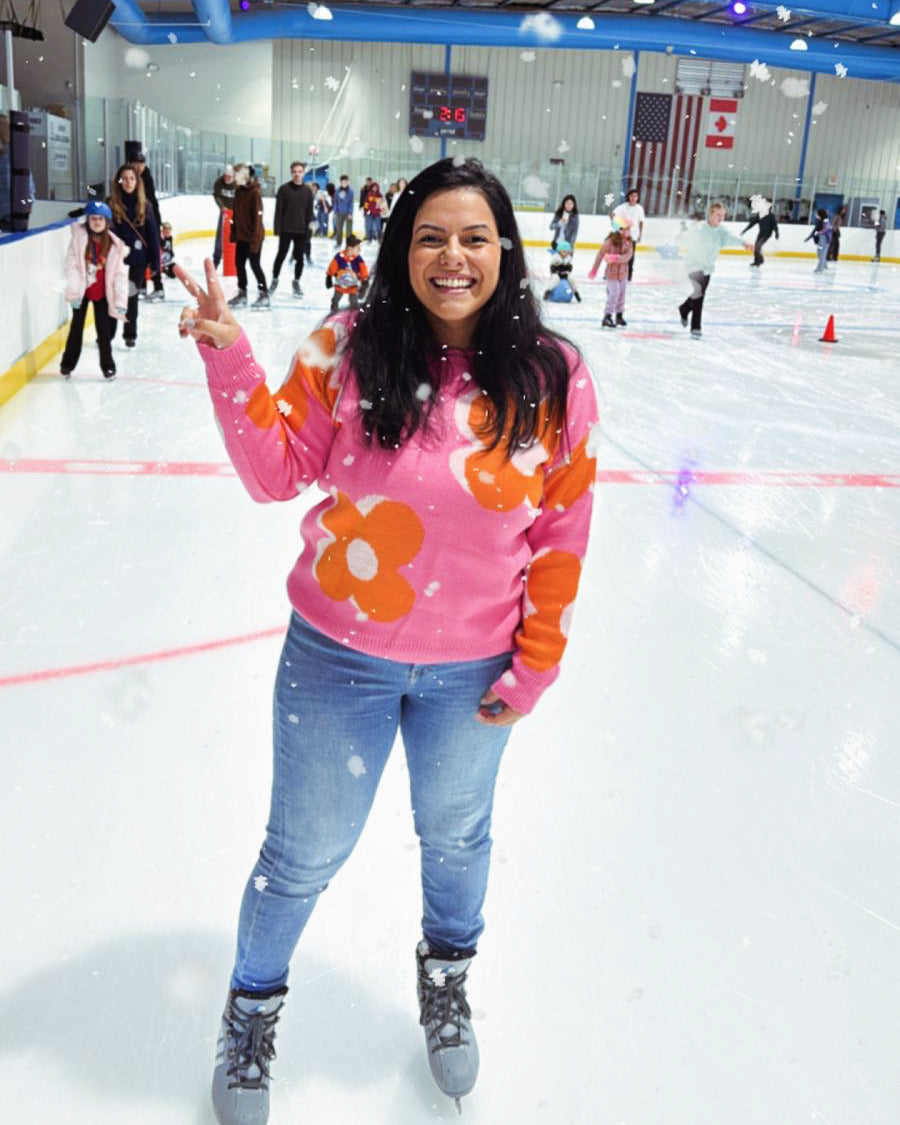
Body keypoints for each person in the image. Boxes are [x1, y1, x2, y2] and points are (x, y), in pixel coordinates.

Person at [174, 155, 598, 1125]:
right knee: (303, 853)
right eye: (431, 236)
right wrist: (230, 355)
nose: (453, 256)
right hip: (337, 660)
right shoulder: (349, 348)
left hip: (475, 669)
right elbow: (276, 476)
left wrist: (537, 664)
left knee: (457, 839)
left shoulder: (553, 376)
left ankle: (445, 978)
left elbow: (562, 532)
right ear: (403, 247)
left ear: (505, 251)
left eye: (475, 237)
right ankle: (253, 1008)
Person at [60, 200, 128, 380]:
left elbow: (120, 275)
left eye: (100, 219)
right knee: (76, 329)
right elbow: (71, 266)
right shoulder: (79, 240)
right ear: (87, 220)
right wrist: (74, 291)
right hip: (81, 293)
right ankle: (67, 364)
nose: (97, 222)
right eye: (93, 218)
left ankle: (108, 366)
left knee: (104, 332)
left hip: (102, 293)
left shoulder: (114, 245)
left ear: (107, 222)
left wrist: (121, 301)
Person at [678, 202, 752, 339]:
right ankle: (695, 327)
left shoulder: (722, 231)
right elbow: (686, 237)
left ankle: (684, 308)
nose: (721, 218)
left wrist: (744, 243)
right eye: (718, 215)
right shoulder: (700, 228)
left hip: (707, 268)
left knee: (698, 294)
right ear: (710, 214)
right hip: (693, 266)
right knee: (699, 295)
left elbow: (732, 238)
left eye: (723, 215)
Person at [109, 162, 160, 348]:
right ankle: (109, 332)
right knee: (114, 296)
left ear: (137, 182)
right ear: (119, 181)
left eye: (132, 178)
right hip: (117, 261)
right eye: (125, 179)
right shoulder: (112, 204)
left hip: (138, 260)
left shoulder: (145, 206)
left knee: (131, 296)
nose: (128, 182)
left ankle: (130, 334)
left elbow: (152, 235)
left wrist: (155, 263)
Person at [228, 163, 269, 309]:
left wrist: (255, 241)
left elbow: (258, 220)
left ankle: (264, 294)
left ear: (245, 175)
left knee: (254, 264)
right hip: (242, 237)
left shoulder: (254, 193)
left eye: (236, 174)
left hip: (253, 237)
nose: (233, 177)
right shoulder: (239, 192)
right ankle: (242, 293)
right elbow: (236, 214)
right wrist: (234, 233)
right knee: (239, 264)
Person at [270, 161, 312, 297]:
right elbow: (279, 210)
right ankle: (274, 279)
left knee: (299, 258)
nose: (297, 174)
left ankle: (296, 282)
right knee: (281, 255)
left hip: (301, 230)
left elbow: (309, 212)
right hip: (286, 229)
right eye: (294, 171)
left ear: (303, 173)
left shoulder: (307, 191)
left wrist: (309, 230)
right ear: (291, 173)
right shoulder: (284, 189)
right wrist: (277, 228)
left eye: (299, 171)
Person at [588, 218, 633, 328]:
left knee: (622, 295)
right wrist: (594, 269)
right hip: (611, 274)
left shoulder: (628, 242)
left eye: (629, 230)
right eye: (625, 230)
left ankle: (619, 316)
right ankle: (607, 317)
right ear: (618, 230)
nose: (628, 232)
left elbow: (628, 256)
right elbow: (600, 255)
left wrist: (615, 258)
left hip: (623, 274)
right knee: (613, 295)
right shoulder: (609, 242)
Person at [133, 153, 165, 300]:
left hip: (150, 221)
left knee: (153, 253)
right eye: (135, 163)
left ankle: (158, 287)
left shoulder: (146, 178)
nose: (138, 166)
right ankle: (143, 286)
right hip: (138, 222)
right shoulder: (128, 178)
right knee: (141, 254)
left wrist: (157, 225)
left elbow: (150, 203)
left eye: (141, 163)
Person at [325, 233, 369, 312]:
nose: (360, 250)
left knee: (354, 302)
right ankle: (334, 311)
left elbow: (363, 270)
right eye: (358, 248)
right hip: (340, 285)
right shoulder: (339, 257)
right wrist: (329, 276)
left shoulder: (358, 259)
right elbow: (332, 266)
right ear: (350, 248)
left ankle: (354, 314)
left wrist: (364, 280)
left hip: (352, 286)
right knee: (335, 300)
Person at [613, 188, 645, 282]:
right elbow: (612, 215)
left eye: (635, 196)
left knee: (631, 256)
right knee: (618, 254)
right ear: (628, 197)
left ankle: (629, 276)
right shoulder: (623, 207)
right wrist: (618, 227)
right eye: (631, 196)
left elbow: (641, 222)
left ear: (637, 198)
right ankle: (613, 273)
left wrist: (640, 234)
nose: (633, 198)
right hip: (622, 235)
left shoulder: (639, 208)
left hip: (633, 236)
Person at [741, 201, 779, 267]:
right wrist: (745, 230)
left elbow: (774, 225)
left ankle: (757, 262)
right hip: (761, 234)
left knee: (758, 247)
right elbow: (752, 224)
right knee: (756, 247)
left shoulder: (771, 216)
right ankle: (760, 260)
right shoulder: (759, 215)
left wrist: (776, 233)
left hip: (767, 234)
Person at [212, 164, 236, 269]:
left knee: (237, 237)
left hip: (236, 213)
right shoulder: (218, 183)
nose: (226, 179)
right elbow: (216, 196)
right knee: (220, 237)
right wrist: (222, 207)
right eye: (225, 176)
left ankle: (236, 261)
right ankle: (216, 260)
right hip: (225, 213)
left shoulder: (239, 185)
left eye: (229, 177)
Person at [804, 208, 832, 274]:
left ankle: (820, 268)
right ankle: (824, 266)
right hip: (821, 239)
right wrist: (809, 237)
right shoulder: (819, 221)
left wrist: (819, 233)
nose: (815, 214)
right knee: (820, 254)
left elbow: (826, 228)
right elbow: (815, 230)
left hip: (824, 239)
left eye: (817, 213)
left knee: (821, 254)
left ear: (820, 214)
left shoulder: (825, 220)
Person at [332, 174, 354, 245]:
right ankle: (338, 242)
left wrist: (350, 213)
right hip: (339, 213)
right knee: (339, 229)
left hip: (348, 213)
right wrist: (335, 211)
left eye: (346, 181)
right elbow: (335, 202)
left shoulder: (350, 191)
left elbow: (351, 203)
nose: (344, 183)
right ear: (340, 182)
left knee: (349, 230)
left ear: (348, 182)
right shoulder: (337, 191)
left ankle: (349, 243)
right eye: (343, 181)